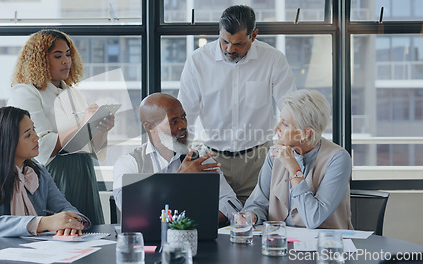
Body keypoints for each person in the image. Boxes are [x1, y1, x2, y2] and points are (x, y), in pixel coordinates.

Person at [177, 5, 296, 205]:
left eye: (238, 44)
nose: (230, 49)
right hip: (212, 160)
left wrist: (287, 152)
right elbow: (184, 116)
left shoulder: (273, 59)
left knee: (257, 222)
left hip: (257, 160)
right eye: (224, 41)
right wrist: (183, 160)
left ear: (254, 35)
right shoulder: (198, 61)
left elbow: (291, 111)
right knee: (212, 220)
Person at [8, 29, 114, 224]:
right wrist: (84, 124)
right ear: (39, 60)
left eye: (68, 54)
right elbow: (41, 145)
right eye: (58, 56)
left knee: (88, 233)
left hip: (84, 172)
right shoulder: (26, 92)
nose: (66, 61)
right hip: (54, 174)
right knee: (59, 233)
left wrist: (101, 129)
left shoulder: (73, 94)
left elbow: (92, 148)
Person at [0, 107, 90, 254]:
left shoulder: (37, 172)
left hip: (25, 252)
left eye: (34, 130)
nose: (36, 137)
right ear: (7, 142)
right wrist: (45, 222)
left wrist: (71, 224)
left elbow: (65, 208)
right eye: (28, 134)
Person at [113, 93, 242, 225]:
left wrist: (189, 223)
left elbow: (231, 204)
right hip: (147, 243)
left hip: (196, 240)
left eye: (183, 117)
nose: (183, 126)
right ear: (150, 127)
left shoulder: (200, 161)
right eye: (173, 121)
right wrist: (180, 179)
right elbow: (133, 211)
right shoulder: (129, 164)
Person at [242, 90, 353, 229]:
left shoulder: (338, 158)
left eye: (285, 124)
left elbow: (313, 218)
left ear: (306, 133)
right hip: (279, 242)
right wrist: (251, 216)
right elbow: (258, 203)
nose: (276, 128)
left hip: (324, 246)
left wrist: (293, 168)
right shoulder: (275, 154)